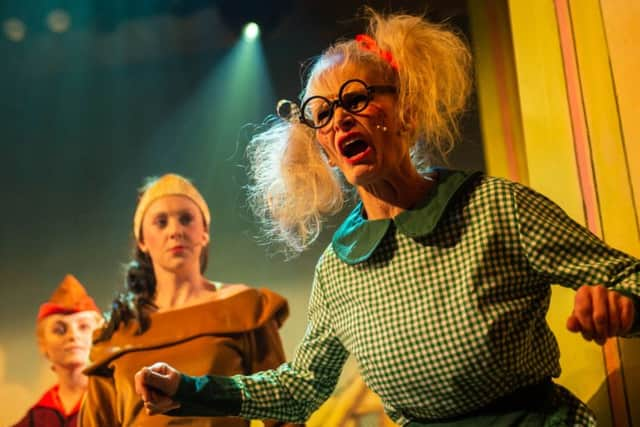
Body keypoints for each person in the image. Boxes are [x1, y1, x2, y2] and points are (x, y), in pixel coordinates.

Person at [132, 9, 640, 427]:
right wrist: (189, 389)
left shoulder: (495, 205)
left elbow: (627, 278)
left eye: (356, 99)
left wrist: (623, 304)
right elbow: (301, 387)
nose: (340, 119)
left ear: (407, 112)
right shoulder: (339, 269)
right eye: (323, 114)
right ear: (325, 149)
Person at [79, 173, 300, 427]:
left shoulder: (244, 309)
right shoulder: (116, 332)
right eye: (161, 222)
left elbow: (284, 412)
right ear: (142, 241)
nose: (175, 231)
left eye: (186, 219)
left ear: (204, 231)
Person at [13, 274, 102, 427]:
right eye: (59, 330)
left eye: (84, 327)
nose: (73, 336)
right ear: (43, 343)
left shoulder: (114, 399)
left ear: (99, 335)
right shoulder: (38, 415)